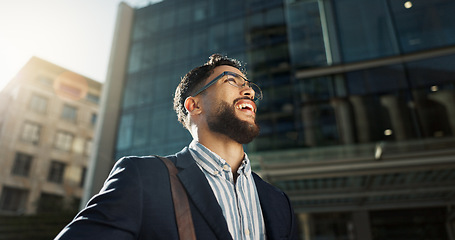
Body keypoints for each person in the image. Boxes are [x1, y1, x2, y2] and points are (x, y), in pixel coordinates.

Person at [55, 54, 298, 240]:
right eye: (231, 81)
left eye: (249, 86)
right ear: (194, 105)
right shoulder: (142, 177)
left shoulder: (277, 201)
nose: (249, 91)